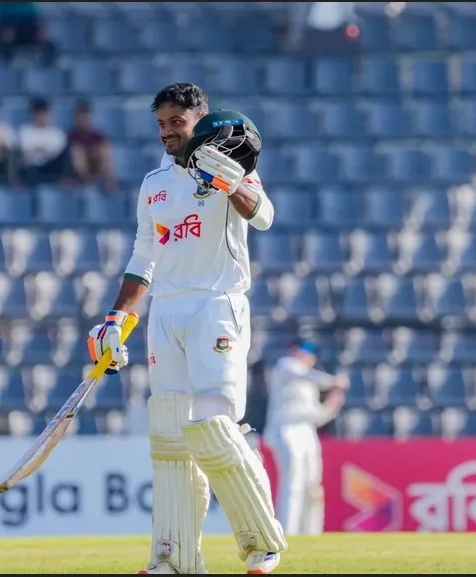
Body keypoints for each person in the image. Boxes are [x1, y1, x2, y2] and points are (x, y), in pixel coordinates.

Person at [84, 83, 285, 574]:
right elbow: (142, 258)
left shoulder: (229, 163)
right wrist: (116, 320)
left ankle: (262, 543)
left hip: (217, 305)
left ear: (201, 119)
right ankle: (174, 558)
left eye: (177, 123)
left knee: (214, 426)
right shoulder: (154, 183)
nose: (168, 133)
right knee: (169, 438)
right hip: (165, 313)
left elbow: (264, 217)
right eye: (162, 125)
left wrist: (230, 182)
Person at [262, 339, 348, 536]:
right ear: (294, 350)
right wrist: (334, 381)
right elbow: (304, 374)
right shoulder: (286, 366)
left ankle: (311, 534)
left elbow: (315, 417)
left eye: (311, 352)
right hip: (286, 430)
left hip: (307, 433)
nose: (308, 355)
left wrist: (331, 407)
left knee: (312, 485)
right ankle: (287, 533)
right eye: (304, 350)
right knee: (293, 483)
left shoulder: (310, 386)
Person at [68, 100, 118, 193]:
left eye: (85, 115)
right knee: (77, 151)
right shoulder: (71, 136)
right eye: (80, 115)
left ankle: (110, 183)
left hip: (96, 167)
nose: (83, 119)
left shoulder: (97, 136)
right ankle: (87, 184)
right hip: (77, 172)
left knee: (104, 150)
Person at [17, 98, 69, 186]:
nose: (41, 116)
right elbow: (25, 153)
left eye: (44, 113)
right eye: (38, 113)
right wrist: (43, 151)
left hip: (51, 166)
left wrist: (40, 150)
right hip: (32, 167)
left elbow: (59, 154)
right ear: (33, 114)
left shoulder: (57, 133)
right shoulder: (24, 131)